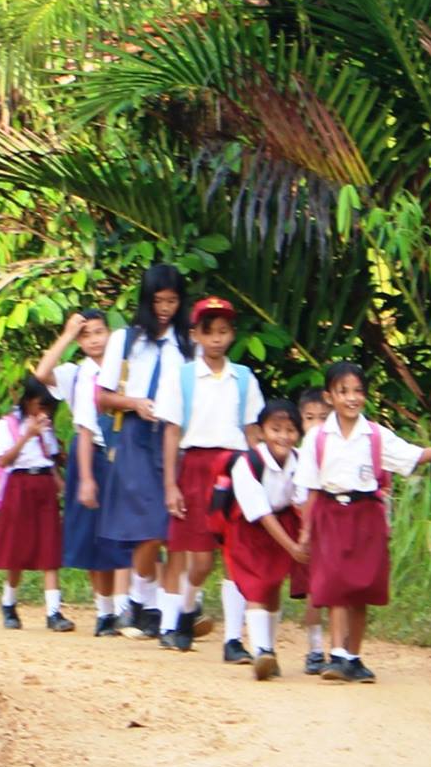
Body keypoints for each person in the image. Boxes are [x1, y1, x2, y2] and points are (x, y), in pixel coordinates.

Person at [295, 363, 431, 682]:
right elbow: (310, 488)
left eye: (358, 391)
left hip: (367, 516)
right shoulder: (317, 438)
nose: (352, 398)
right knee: (337, 586)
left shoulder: (375, 435)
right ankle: (337, 655)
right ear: (329, 397)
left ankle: (354, 656)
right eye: (343, 391)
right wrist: (306, 530)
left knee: (362, 586)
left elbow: (412, 456)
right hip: (331, 513)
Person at [155, 297, 263, 651]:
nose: (217, 338)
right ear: (195, 335)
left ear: (232, 335)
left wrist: (259, 477)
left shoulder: (243, 379)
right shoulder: (182, 378)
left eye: (224, 331)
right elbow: (172, 431)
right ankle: (182, 613)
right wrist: (171, 483)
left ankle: (233, 640)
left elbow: (252, 432)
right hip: (196, 467)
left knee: (234, 553)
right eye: (208, 331)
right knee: (196, 556)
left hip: (235, 468)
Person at [95, 264, 190, 637]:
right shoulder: (125, 340)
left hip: (174, 437)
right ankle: (144, 600)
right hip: (136, 434)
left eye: (172, 301)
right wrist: (135, 402)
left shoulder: (187, 344)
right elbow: (102, 398)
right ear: (147, 302)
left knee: (168, 526)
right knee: (148, 526)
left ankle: (146, 602)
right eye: (159, 301)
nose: (165, 308)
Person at [33, 309, 132, 634]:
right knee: (93, 534)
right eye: (85, 335)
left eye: (98, 332)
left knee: (125, 533)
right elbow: (41, 373)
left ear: (110, 333)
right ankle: (104, 612)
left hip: (124, 453)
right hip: (89, 453)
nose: (93, 340)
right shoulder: (75, 373)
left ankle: (124, 608)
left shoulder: (126, 369)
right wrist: (65, 334)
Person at [216, 399, 309, 679]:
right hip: (249, 529)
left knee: (273, 585)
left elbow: (303, 500)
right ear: (261, 432)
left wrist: (304, 537)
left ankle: (269, 650)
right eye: (275, 429)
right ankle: (261, 651)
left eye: (290, 430)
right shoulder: (248, 463)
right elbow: (259, 512)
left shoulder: (300, 461)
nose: (283, 436)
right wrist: (292, 546)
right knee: (257, 586)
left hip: (283, 522)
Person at [0, 376, 74, 631]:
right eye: (40, 405)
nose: (43, 412)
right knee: (17, 549)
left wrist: (63, 488)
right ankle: (9, 604)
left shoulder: (46, 427)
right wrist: (27, 436)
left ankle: (53, 611)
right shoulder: (7, 425)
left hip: (44, 486)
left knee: (50, 548)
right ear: (27, 403)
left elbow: (49, 461)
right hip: (19, 485)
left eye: (47, 408)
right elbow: (3, 461)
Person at [294, 388, 332, 673]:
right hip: (305, 523)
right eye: (309, 418)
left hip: (334, 522)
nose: (316, 423)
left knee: (338, 589)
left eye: (323, 417)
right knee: (314, 591)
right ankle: (315, 648)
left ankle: (340, 649)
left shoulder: (337, 446)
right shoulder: (299, 451)